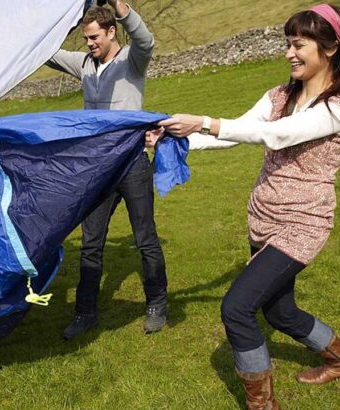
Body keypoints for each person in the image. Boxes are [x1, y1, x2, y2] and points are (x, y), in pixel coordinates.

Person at [151, 4, 340, 408]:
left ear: (329, 48)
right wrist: (174, 140)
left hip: (303, 224)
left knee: (237, 309)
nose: (289, 52)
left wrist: (202, 119)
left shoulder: (335, 106)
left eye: (299, 44)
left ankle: (262, 406)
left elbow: (277, 136)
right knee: (280, 313)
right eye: (287, 44)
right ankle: (339, 357)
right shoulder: (277, 95)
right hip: (263, 219)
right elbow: (236, 132)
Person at [47, 0, 168, 340]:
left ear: (112, 31)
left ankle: (157, 303)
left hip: (131, 163)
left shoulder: (132, 60)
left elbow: (146, 41)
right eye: (86, 38)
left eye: (95, 37)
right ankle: (85, 313)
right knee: (90, 242)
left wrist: (121, 7)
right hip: (98, 167)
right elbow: (48, 53)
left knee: (145, 238)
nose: (90, 44)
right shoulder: (84, 63)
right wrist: (57, 22)